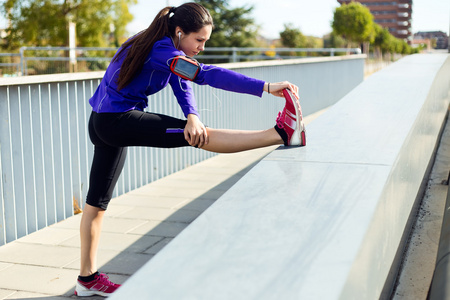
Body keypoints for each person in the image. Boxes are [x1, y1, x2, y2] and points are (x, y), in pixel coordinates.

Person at [75, 2, 306, 297]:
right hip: (117, 122)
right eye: (199, 40)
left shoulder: (154, 44)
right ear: (180, 31)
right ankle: (281, 133)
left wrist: (192, 114)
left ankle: (87, 279)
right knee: (197, 137)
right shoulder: (162, 51)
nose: (202, 47)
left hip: (101, 121)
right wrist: (266, 86)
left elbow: (181, 81)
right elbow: (205, 74)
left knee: (96, 204)